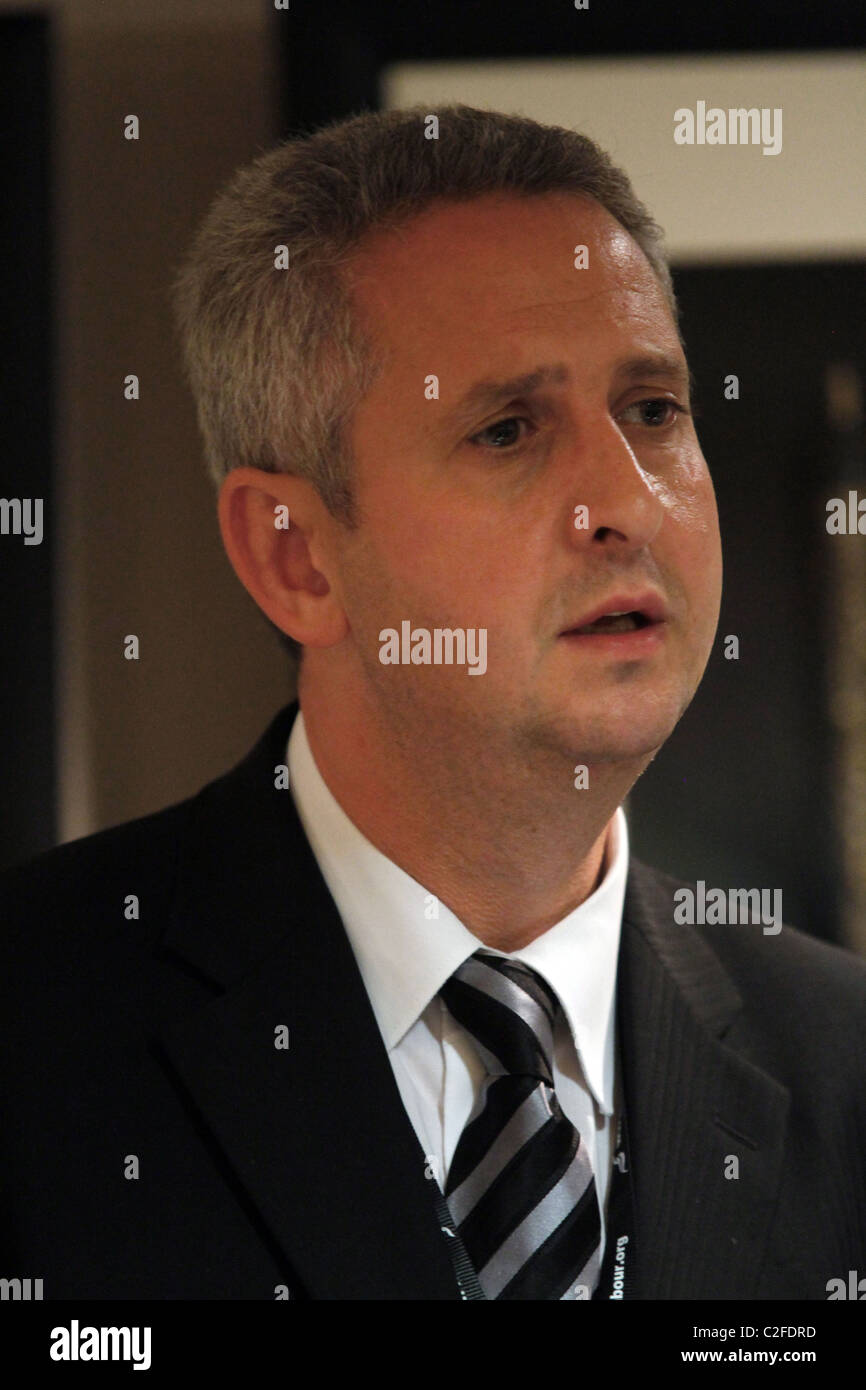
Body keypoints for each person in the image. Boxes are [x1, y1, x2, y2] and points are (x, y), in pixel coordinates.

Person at [2, 104, 864, 1302]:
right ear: (295, 555)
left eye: (652, 410)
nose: (626, 501)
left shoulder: (843, 1060)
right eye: (508, 429)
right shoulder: (36, 1027)